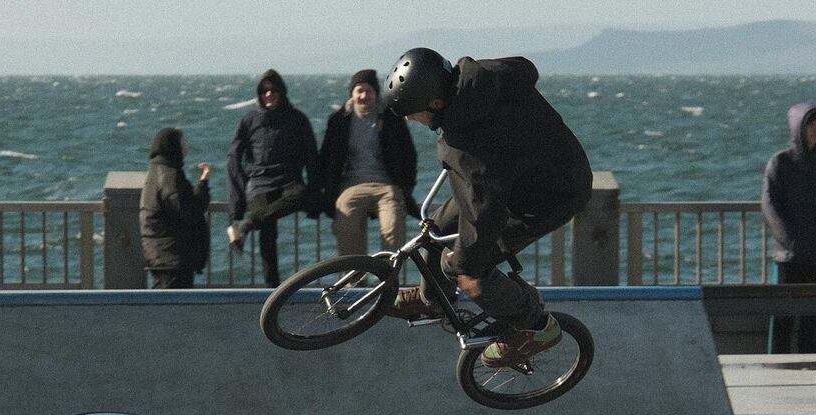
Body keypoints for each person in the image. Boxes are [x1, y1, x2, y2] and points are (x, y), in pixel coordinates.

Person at [381, 48, 591, 368]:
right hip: (529, 173)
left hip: (544, 197)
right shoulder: (487, 77)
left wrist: (468, 263)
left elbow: (485, 211)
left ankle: (536, 326)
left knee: (465, 269)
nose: (410, 120)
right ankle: (433, 300)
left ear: (436, 103)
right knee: (436, 229)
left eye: (412, 113)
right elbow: (525, 68)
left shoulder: (470, 144)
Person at [761, 102, 816, 354]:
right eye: (810, 124)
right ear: (797, 127)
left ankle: (812, 368)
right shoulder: (780, 163)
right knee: (783, 316)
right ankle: (778, 367)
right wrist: (791, 242)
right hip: (790, 257)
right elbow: (770, 206)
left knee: (813, 317)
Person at [226, 69, 319, 287]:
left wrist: (316, 194)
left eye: (273, 90)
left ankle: (246, 226)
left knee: (301, 194)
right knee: (267, 233)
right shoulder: (249, 120)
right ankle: (272, 289)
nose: (269, 95)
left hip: (288, 181)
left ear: (282, 92)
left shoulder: (297, 119)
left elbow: (312, 156)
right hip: (259, 183)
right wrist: (236, 201)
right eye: (264, 91)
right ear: (259, 94)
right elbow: (233, 158)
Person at [316, 68, 418, 257]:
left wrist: (406, 187)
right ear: (352, 94)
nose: (364, 96)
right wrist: (326, 191)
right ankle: (355, 280)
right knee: (346, 226)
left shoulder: (391, 118)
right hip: (351, 185)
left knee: (393, 228)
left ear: (376, 93)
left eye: (368, 91)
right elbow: (326, 157)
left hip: (386, 185)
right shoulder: (339, 120)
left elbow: (409, 153)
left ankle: (388, 279)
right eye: (359, 91)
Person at [139, 127, 212, 289]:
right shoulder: (170, 175)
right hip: (172, 256)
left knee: (165, 306)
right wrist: (203, 185)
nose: (186, 147)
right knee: (173, 308)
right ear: (172, 146)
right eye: (182, 143)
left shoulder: (155, 171)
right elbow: (190, 211)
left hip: (159, 254)